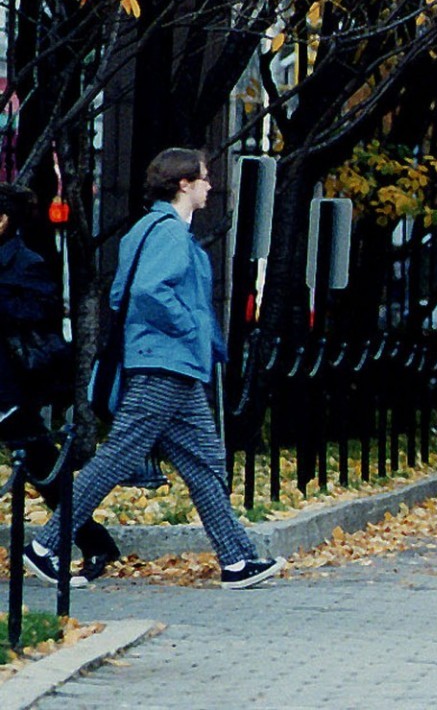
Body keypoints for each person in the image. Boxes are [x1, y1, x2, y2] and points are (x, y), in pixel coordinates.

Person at [24, 149, 283, 590]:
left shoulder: (148, 229)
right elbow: (147, 292)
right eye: (203, 178)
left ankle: (237, 560)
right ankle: (46, 546)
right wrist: (189, 330)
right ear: (183, 184)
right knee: (120, 455)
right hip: (163, 364)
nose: (209, 185)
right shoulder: (169, 235)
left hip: (170, 365)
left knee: (204, 461)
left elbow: (122, 293)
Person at [0, 183, 120, 581]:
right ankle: (93, 541)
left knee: (41, 468)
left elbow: (40, 314)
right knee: (40, 465)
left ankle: (94, 541)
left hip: (11, 388)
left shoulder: (26, 263)